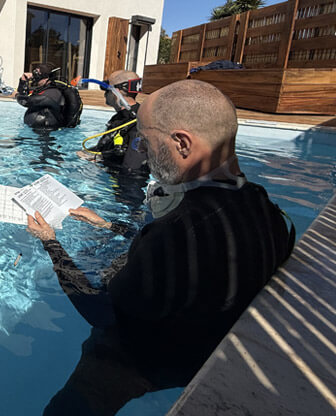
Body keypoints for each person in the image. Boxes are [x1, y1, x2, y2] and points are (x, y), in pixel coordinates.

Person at [27, 80, 295, 415]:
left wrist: (51, 242)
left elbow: (101, 311)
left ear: (182, 143)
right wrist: (110, 225)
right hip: (208, 348)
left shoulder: (177, 233)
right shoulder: (263, 206)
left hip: (146, 360)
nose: (141, 148)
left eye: (146, 139)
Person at [77, 70, 147, 176]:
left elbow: (132, 169)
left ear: (116, 92)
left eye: (107, 90)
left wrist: (99, 158)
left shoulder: (137, 122)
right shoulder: (121, 117)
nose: (105, 94)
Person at [16, 63, 83, 130]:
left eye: (38, 76)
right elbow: (25, 96)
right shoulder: (43, 89)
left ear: (46, 78)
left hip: (46, 133)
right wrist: (23, 81)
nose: (35, 78)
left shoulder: (52, 93)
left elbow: (26, 101)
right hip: (36, 131)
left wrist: (16, 95)